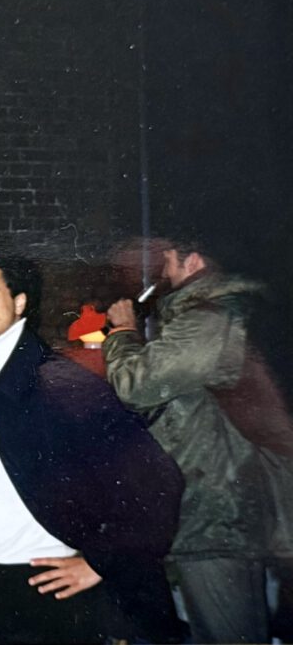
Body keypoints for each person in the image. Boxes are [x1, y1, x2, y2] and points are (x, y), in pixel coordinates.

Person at [0, 249, 186, 644]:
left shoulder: (57, 381)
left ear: (19, 302)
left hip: (50, 585)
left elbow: (158, 480)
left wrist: (101, 563)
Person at [104, 236, 293, 643]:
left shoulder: (209, 320)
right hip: (228, 505)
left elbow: (135, 384)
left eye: (168, 262)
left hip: (218, 516)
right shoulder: (225, 314)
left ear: (192, 261)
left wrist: (122, 333)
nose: (163, 272)